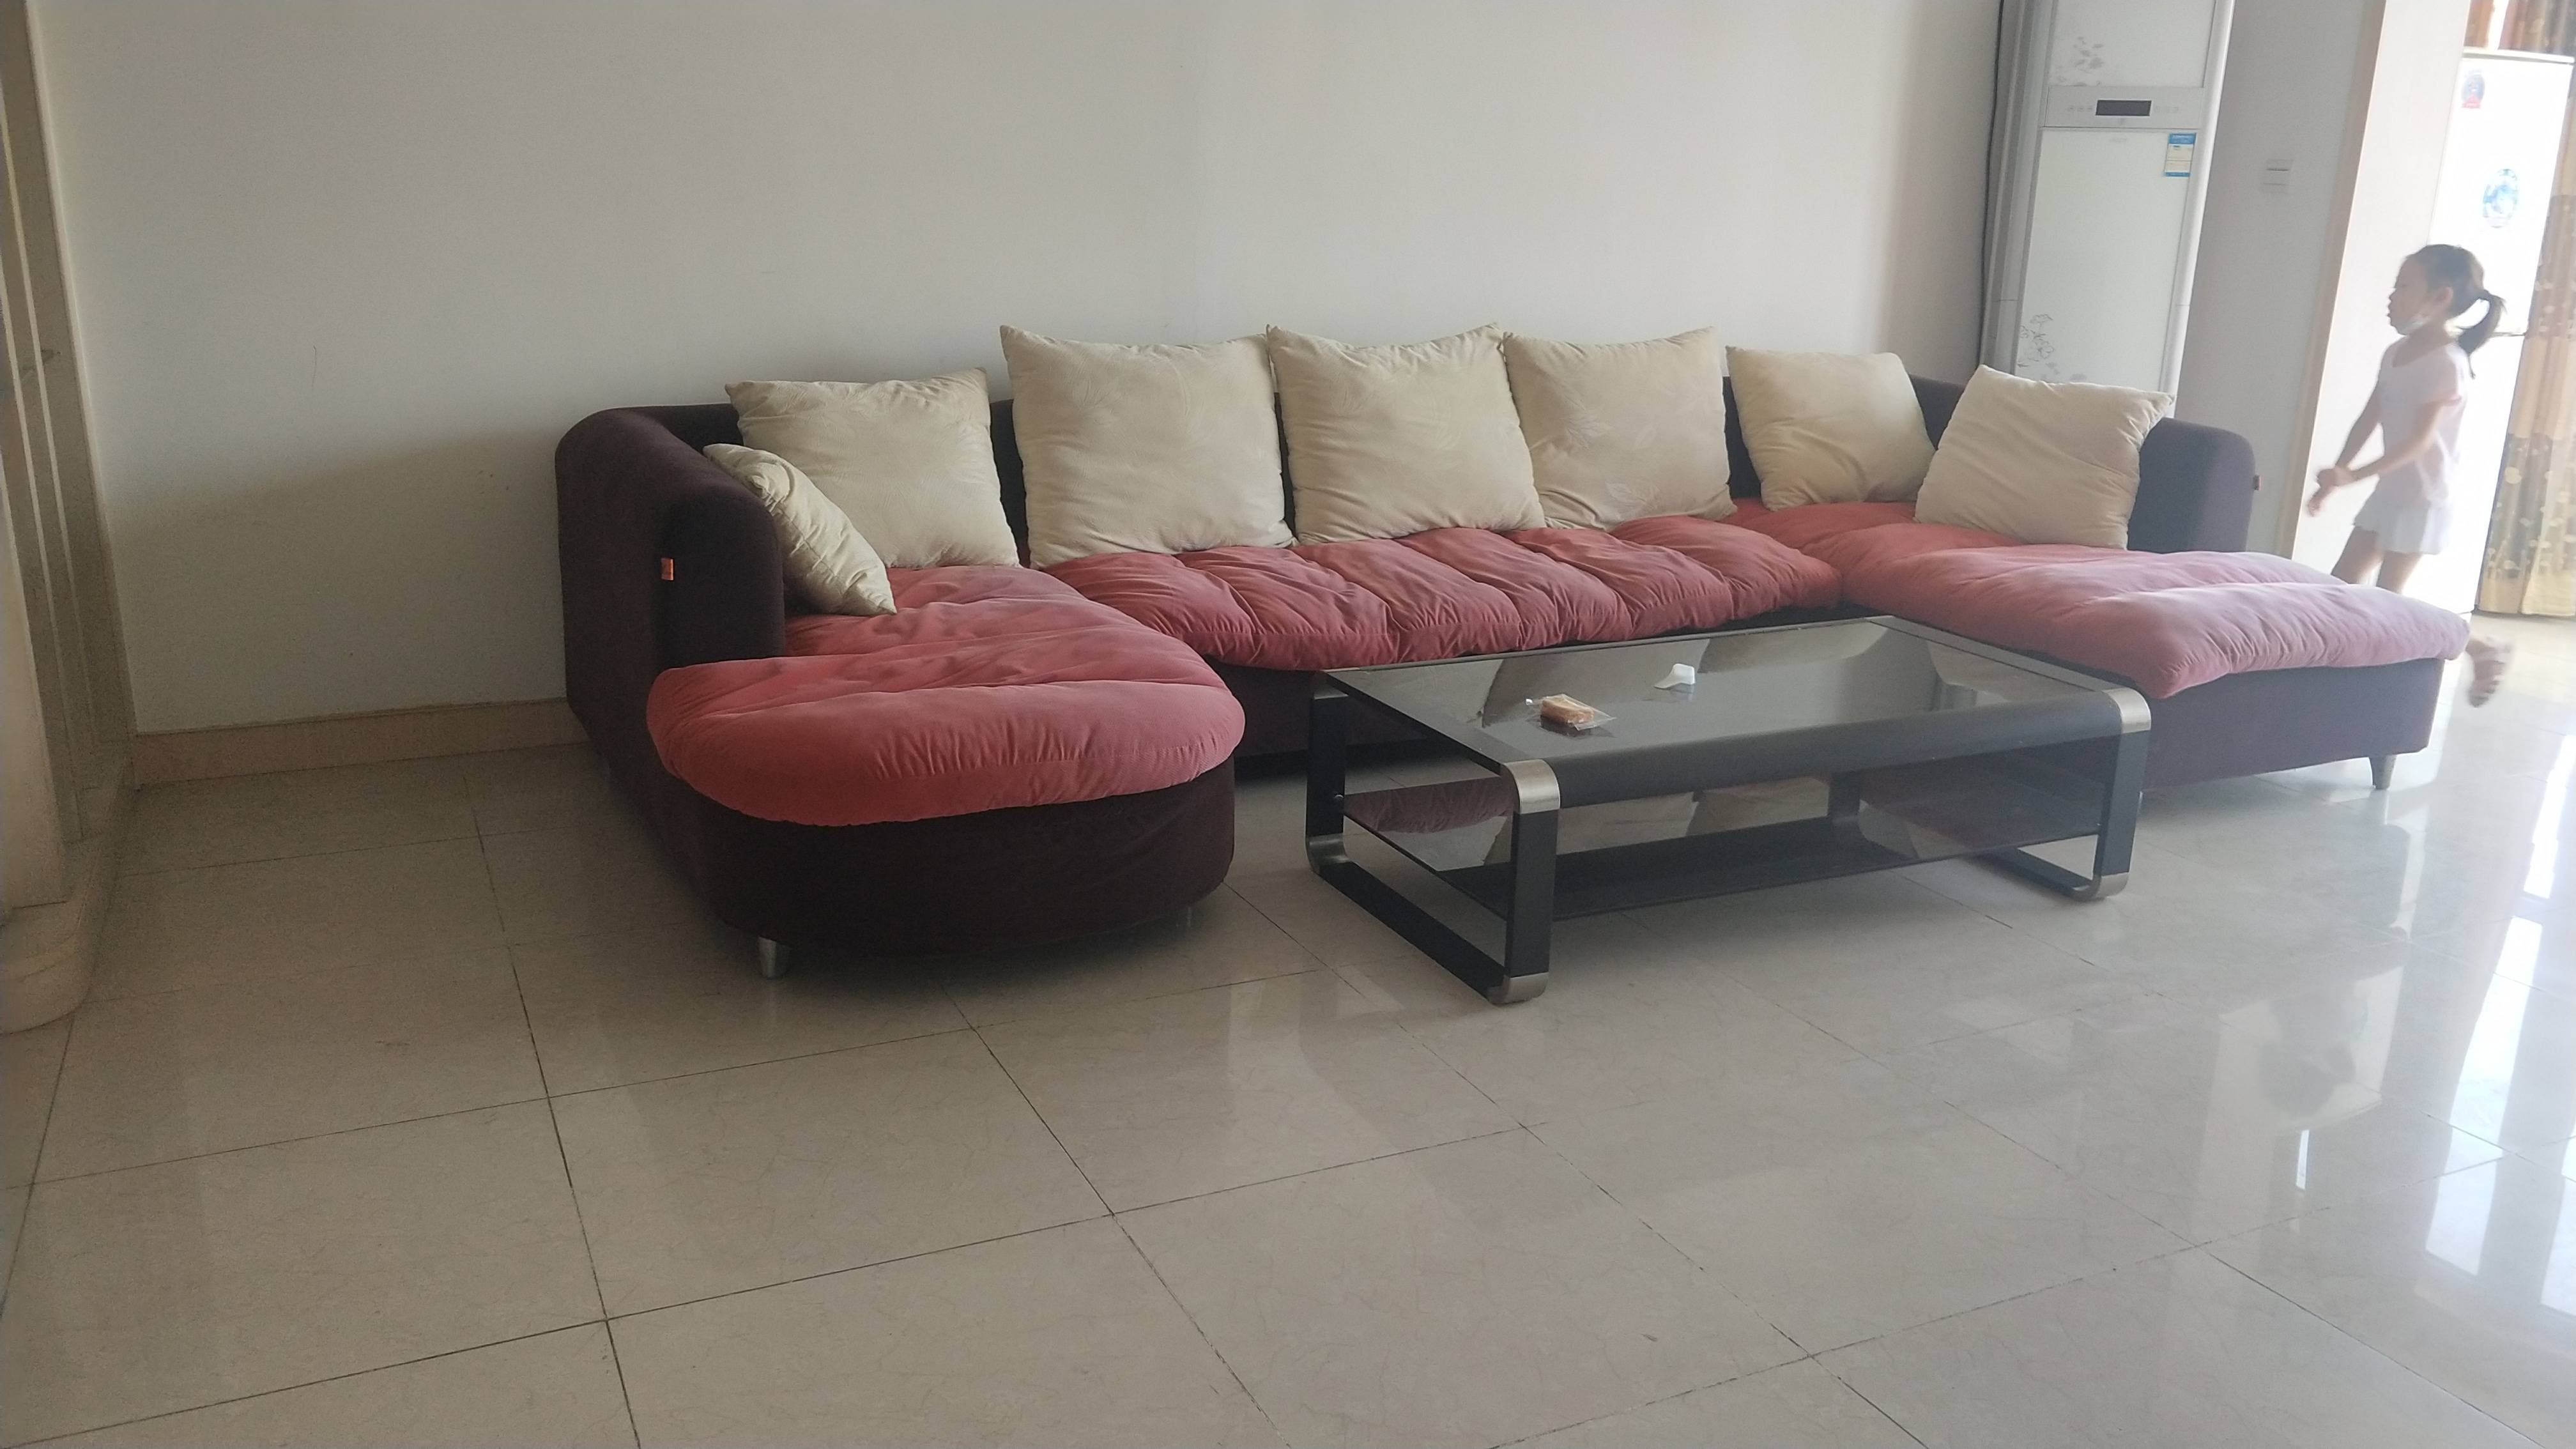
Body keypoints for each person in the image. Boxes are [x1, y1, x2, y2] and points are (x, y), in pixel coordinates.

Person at [2307, 243, 2512, 705]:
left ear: (2439, 297)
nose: (2392, 295)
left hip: (2424, 497)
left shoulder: (2447, 363)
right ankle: (2334, 678)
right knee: (2340, 585)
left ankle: (2479, 646)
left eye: (2404, 286)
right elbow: (2370, 416)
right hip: (2392, 492)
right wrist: (2338, 472)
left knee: (2391, 599)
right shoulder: (2397, 353)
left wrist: (2354, 476)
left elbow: (2418, 442)